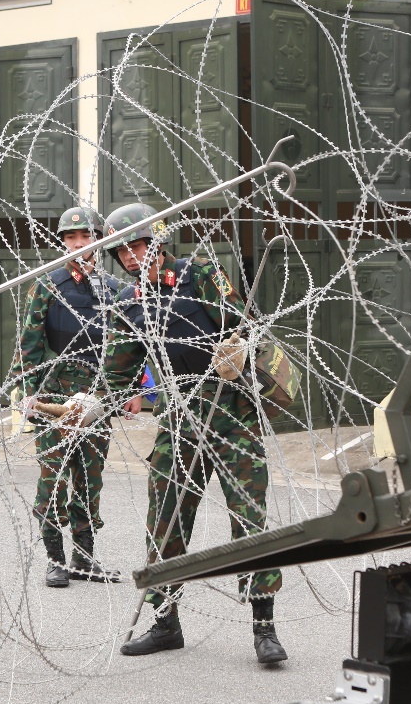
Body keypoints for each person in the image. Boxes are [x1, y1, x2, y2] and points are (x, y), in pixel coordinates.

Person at [101, 203, 287, 665]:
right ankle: (166, 622)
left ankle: (264, 626)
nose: (130, 256)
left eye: (138, 245)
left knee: (249, 517)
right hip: (179, 420)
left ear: (158, 242)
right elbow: (117, 373)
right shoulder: (129, 304)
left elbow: (243, 323)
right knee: (165, 516)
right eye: (122, 250)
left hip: (230, 413)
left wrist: (238, 351)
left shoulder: (198, 273)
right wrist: (87, 405)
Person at [12, 206, 125, 587]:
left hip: (95, 399)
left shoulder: (114, 290)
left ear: (100, 240)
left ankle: (85, 558)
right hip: (54, 398)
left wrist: (129, 391)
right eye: (70, 238)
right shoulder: (48, 285)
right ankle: (55, 559)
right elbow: (28, 345)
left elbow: (126, 346)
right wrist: (29, 395)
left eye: (86, 236)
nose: (78, 244)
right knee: (54, 478)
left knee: (90, 479)